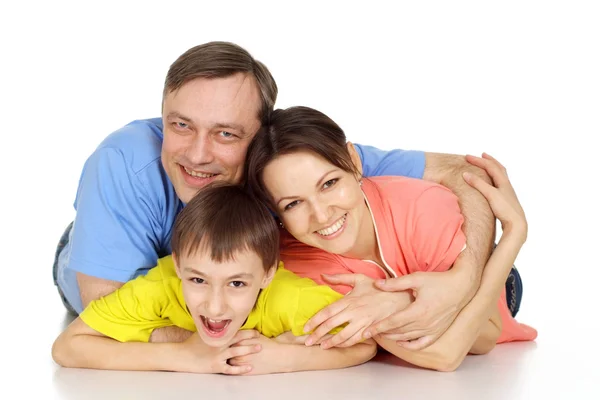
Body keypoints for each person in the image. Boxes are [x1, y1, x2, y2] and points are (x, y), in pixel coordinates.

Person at [53, 40, 498, 347]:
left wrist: (463, 279)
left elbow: (461, 170)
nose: (198, 154)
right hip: (121, 262)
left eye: (226, 133)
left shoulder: (295, 167)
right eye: (180, 124)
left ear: (260, 134)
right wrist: (233, 344)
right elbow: (107, 315)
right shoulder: (123, 164)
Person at [243, 106, 538, 372]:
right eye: (293, 204)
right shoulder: (299, 266)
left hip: (489, 269)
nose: (321, 215)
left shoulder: (423, 206)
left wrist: (512, 239)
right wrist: (401, 303)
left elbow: (486, 334)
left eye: (329, 184)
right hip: (441, 268)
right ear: (275, 212)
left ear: (353, 163)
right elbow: (444, 353)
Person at [51, 183, 377, 375]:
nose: (214, 306)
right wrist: (185, 356)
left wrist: (287, 357)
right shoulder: (158, 285)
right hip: (76, 259)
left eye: (237, 284)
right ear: (178, 266)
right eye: (198, 280)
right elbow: (67, 347)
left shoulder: (289, 297)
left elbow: (365, 342)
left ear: (267, 274)